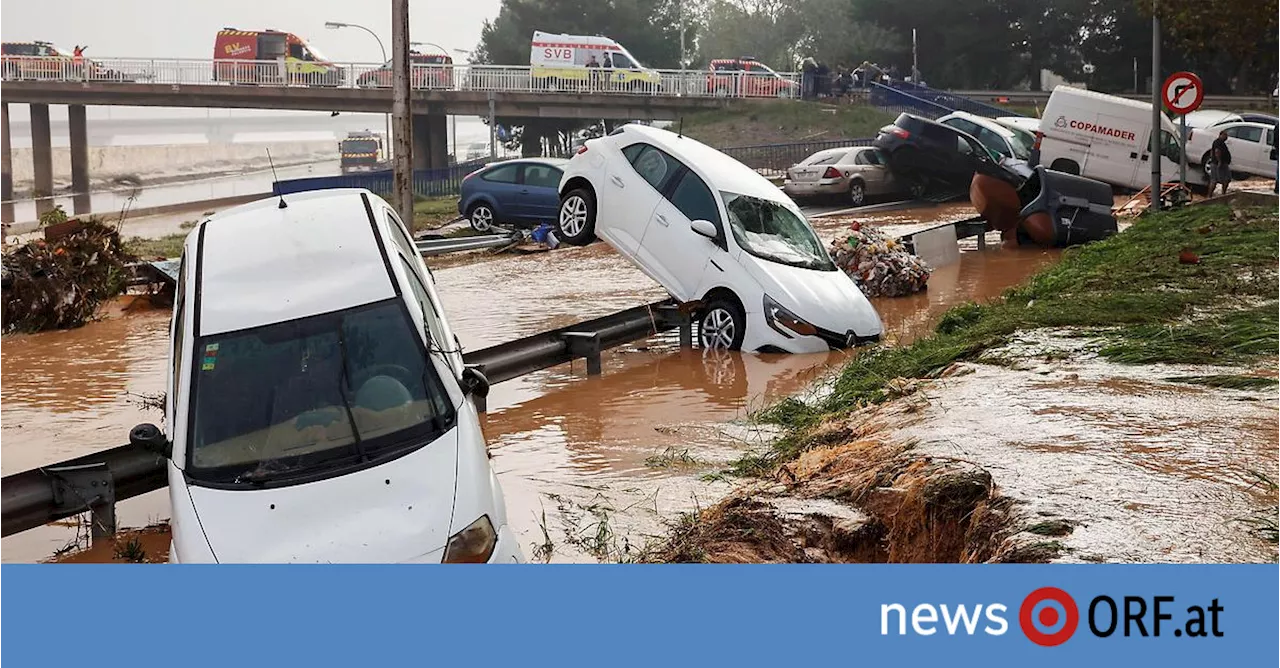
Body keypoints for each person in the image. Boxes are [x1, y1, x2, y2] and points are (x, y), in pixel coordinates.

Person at [1210, 130, 1233, 196]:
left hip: (1222, 163)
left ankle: (1223, 194)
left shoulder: (1221, 143)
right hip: (1218, 164)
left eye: (1227, 135)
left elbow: (1212, 152)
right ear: (1221, 135)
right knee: (1214, 180)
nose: (1226, 137)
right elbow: (1217, 152)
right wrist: (1219, 161)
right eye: (1225, 135)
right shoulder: (1218, 142)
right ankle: (1210, 196)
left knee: (1227, 179)